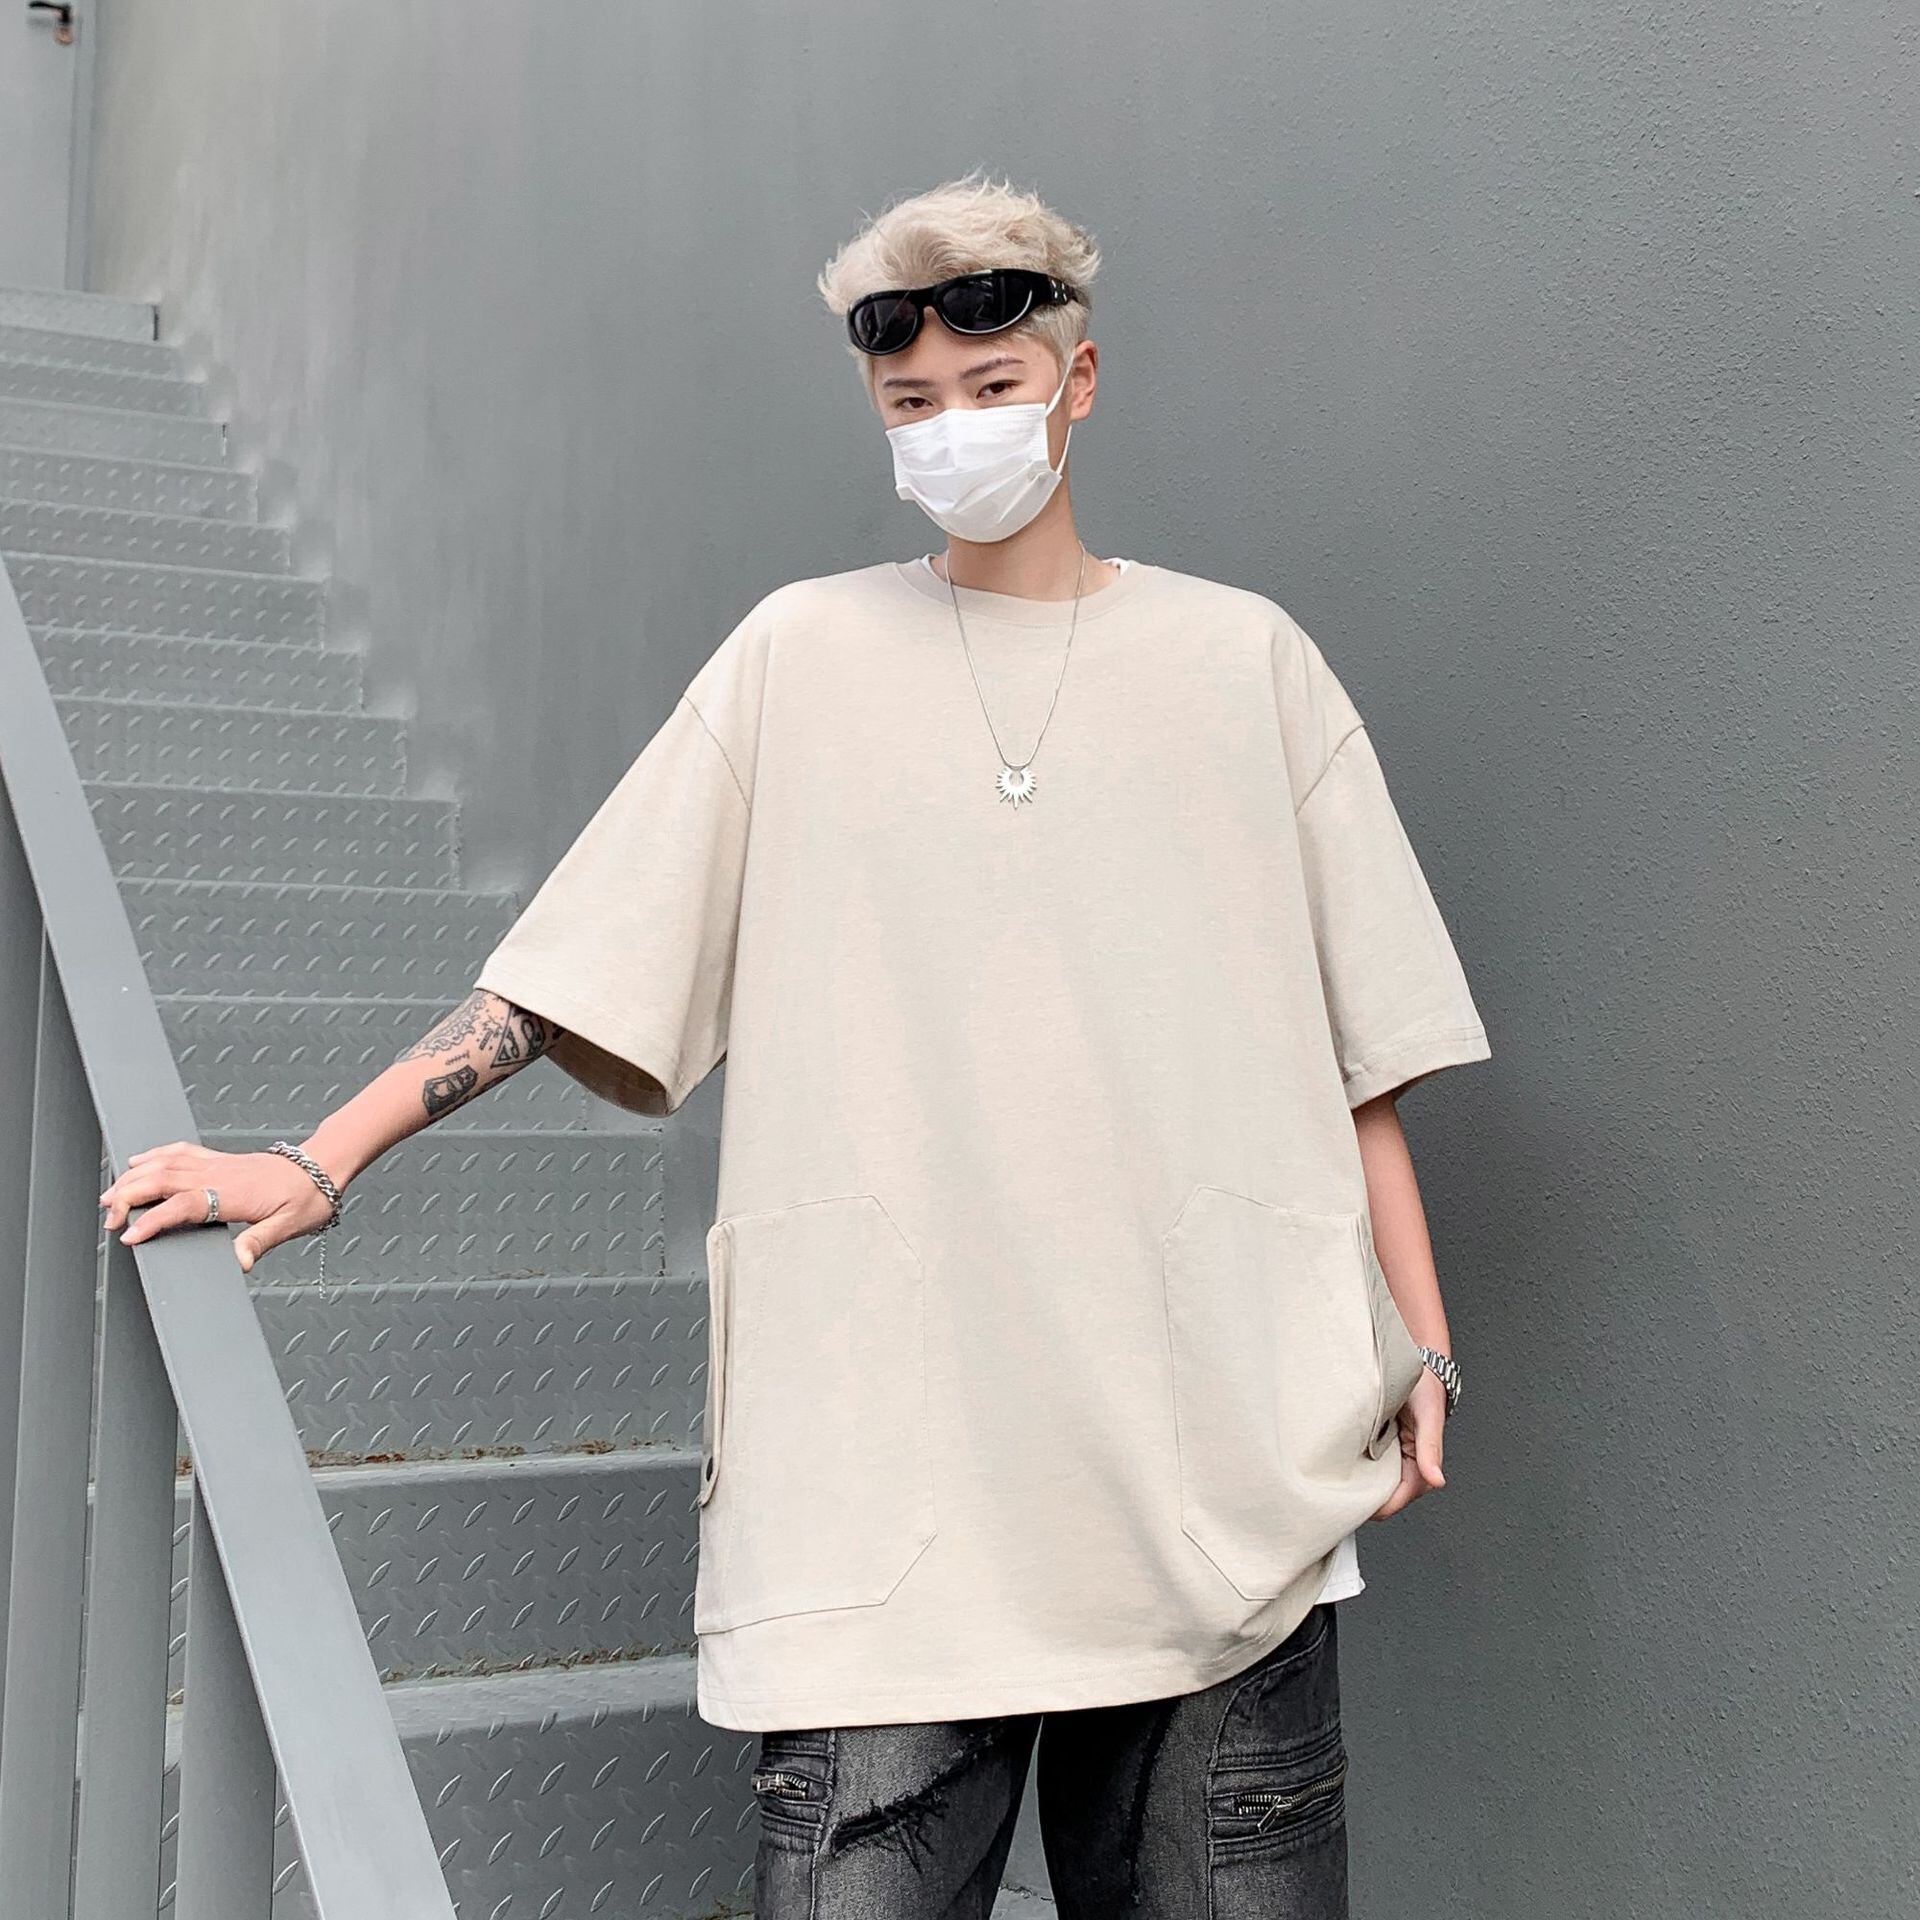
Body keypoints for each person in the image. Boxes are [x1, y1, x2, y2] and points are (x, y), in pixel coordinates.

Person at [99, 169, 1491, 1919]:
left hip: (1220, 1489)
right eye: (912, 402)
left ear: (1078, 380)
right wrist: (323, 1155)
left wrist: (1419, 1338)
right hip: (886, 1504)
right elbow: (575, 965)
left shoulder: (1248, 664)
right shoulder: (798, 656)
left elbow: (1357, 1055)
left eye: (991, 387)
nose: (953, 427)